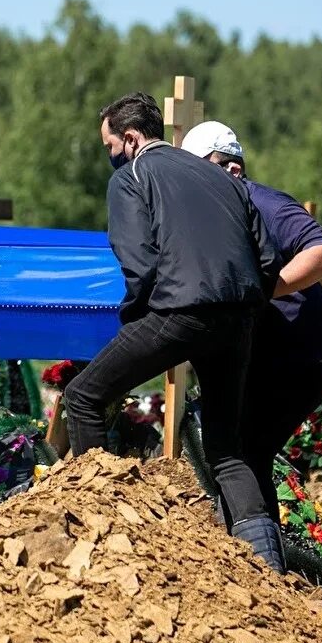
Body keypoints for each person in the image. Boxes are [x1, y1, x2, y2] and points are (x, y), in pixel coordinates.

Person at [63, 92, 285, 571]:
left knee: (82, 397)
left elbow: (139, 266)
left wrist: (135, 325)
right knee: (228, 450)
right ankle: (271, 574)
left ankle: (103, 542)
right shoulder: (222, 178)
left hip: (180, 312)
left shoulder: (131, 177)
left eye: (108, 147)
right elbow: (268, 260)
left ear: (129, 138)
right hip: (241, 315)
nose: (110, 158)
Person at [180, 120, 322, 525]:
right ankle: (250, 556)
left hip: (303, 355)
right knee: (237, 452)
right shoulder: (218, 215)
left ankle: (260, 565)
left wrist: (262, 289)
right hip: (272, 356)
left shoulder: (265, 204)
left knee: (244, 451)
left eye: (203, 170)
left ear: (233, 169)